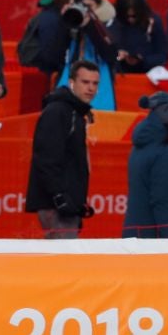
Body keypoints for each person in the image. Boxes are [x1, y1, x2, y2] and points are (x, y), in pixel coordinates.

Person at [25, 60, 99, 240]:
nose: (91, 88)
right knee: (63, 255)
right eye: (85, 82)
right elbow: (46, 158)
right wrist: (60, 197)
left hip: (66, 203)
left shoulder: (75, 112)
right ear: (72, 82)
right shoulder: (58, 111)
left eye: (95, 83)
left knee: (60, 254)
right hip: (56, 205)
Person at [123, 93, 168, 238]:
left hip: (133, 233)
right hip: (153, 239)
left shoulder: (138, 147)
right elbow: (162, 203)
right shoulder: (164, 155)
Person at [55, 0, 117, 111]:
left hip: (99, 76)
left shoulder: (107, 23)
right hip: (72, 72)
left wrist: (90, 25)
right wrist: (64, 21)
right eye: (81, 5)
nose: (84, 9)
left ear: (98, 6)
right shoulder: (72, 20)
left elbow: (111, 55)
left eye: (88, 6)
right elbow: (56, 50)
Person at [107, 0, 168, 74]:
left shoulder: (153, 21)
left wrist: (143, 60)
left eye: (134, 16)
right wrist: (118, 56)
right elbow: (107, 54)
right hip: (121, 73)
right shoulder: (114, 22)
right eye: (127, 16)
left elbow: (163, 56)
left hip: (147, 74)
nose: (130, 19)